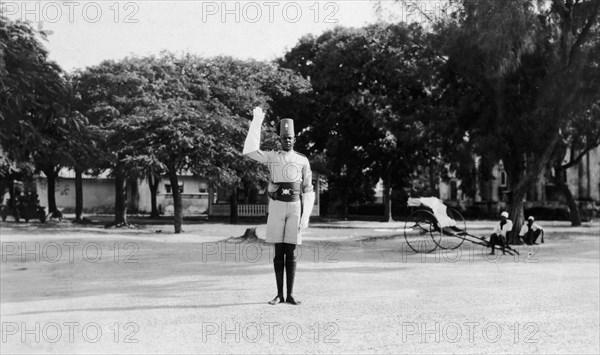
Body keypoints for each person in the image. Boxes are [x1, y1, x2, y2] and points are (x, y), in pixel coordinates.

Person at [242, 107, 315, 305]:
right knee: (278, 252)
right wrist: (257, 120)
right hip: (276, 206)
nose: (287, 141)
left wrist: (305, 215)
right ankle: (278, 294)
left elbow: (308, 189)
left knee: (290, 252)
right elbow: (249, 151)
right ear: (280, 139)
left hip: (294, 207)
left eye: (290, 138)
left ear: (295, 139)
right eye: (284, 138)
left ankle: (290, 294)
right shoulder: (272, 157)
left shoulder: (302, 160)